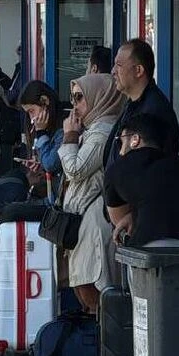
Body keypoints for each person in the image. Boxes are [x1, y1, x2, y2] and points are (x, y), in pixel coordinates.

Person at [58, 74, 124, 313]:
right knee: (82, 289)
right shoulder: (93, 128)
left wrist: (70, 137)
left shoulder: (102, 131)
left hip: (95, 222)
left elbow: (76, 170)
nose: (75, 105)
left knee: (92, 291)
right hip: (83, 219)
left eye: (79, 98)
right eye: (72, 98)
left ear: (100, 98)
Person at [104, 113, 179, 247]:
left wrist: (132, 216)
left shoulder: (118, 168)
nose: (120, 151)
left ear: (135, 140)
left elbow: (119, 220)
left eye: (121, 141)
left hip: (148, 250)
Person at [106, 39, 179, 166]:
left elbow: (145, 167)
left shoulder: (154, 111)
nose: (113, 71)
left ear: (138, 70)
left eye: (119, 65)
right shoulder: (133, 103)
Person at [18, 81, 66, 205]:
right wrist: (40, 166)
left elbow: (51, 163)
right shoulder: (49, 128)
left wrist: (40, 133)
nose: (31, 118)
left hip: (58, 201)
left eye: (32, 111)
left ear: (45, 102)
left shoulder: (63, 127)